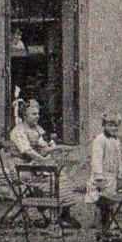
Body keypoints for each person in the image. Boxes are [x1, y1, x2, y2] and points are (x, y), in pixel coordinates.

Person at [7, 98, 84, 228]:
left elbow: (43, 145)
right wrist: (42, 160)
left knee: (61, 176)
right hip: (22, 168)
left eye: (38, 114)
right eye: (33, 114)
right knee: (52, 180)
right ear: (25, 115)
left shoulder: (36, 129)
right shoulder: (18, 131)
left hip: (36, 165)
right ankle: (53, 216)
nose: (37, 116)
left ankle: (64, 213)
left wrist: (49, 148)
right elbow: (27, 151)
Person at [87, 112, 122, 240]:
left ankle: (109, 225)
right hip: (103, 175)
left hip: (112, 176)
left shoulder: (116, 140)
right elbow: (97, 159)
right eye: (110, 125)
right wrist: (99, 176)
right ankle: (101, 228)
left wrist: (119, 173)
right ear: (104, 125)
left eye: (116, 126)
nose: (113, 128)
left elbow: (119, 159)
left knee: (110, 201)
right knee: (102, 201)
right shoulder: (100, 139)